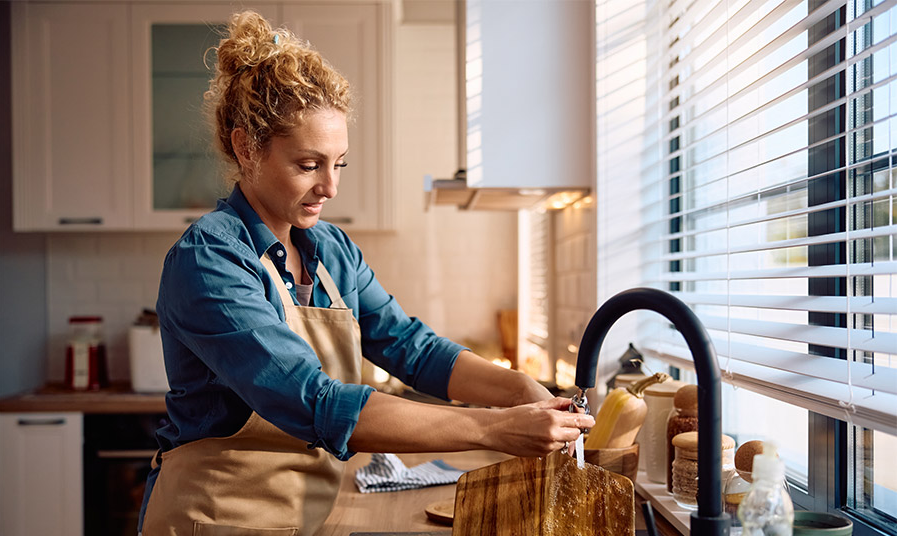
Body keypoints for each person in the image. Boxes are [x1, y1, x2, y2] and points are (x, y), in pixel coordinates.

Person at [138, 10, 593, 535]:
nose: (330, 187)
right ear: (246, 148)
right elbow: (315, 402)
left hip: (306, 518)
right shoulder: (210, 260)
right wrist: (496, 429)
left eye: (340, 163)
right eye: (309, 165)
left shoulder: (332, 250)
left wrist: (520, 389)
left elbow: (412, 348)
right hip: (214, 520)